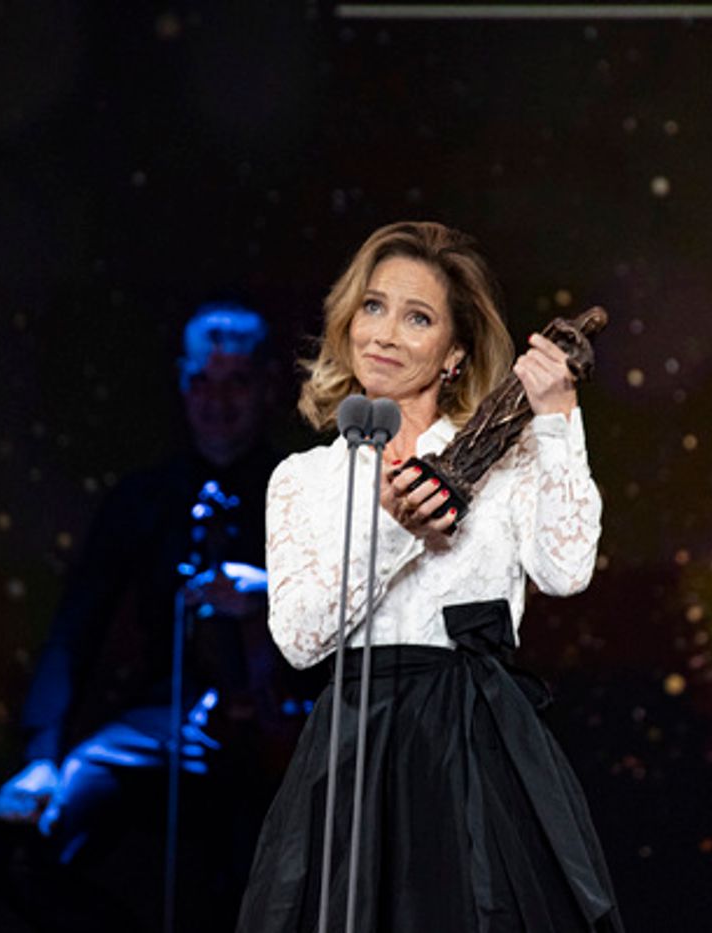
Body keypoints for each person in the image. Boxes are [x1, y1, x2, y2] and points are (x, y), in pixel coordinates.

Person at [236, 221, 624, 931]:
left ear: (454, 353)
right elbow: (298, 640)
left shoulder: (505, 457)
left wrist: (558, 420)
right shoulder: (305, 478)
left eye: (417, 318)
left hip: (476, 744)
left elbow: (566, 571)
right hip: (358, 746)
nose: (385, 334)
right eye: (373, 306)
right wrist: (396, 530)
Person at [0, 303, 309, 930]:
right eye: (203, 381)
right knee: (30, 845)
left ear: (267, 387)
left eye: (237, 382)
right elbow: (75, 627)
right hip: (166, 718)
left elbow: (355, 610)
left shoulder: (301, 489)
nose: (218, 401)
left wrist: (272, 591)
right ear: (182, 385)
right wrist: (42, 753)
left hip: (281, 726)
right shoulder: (144, 496)